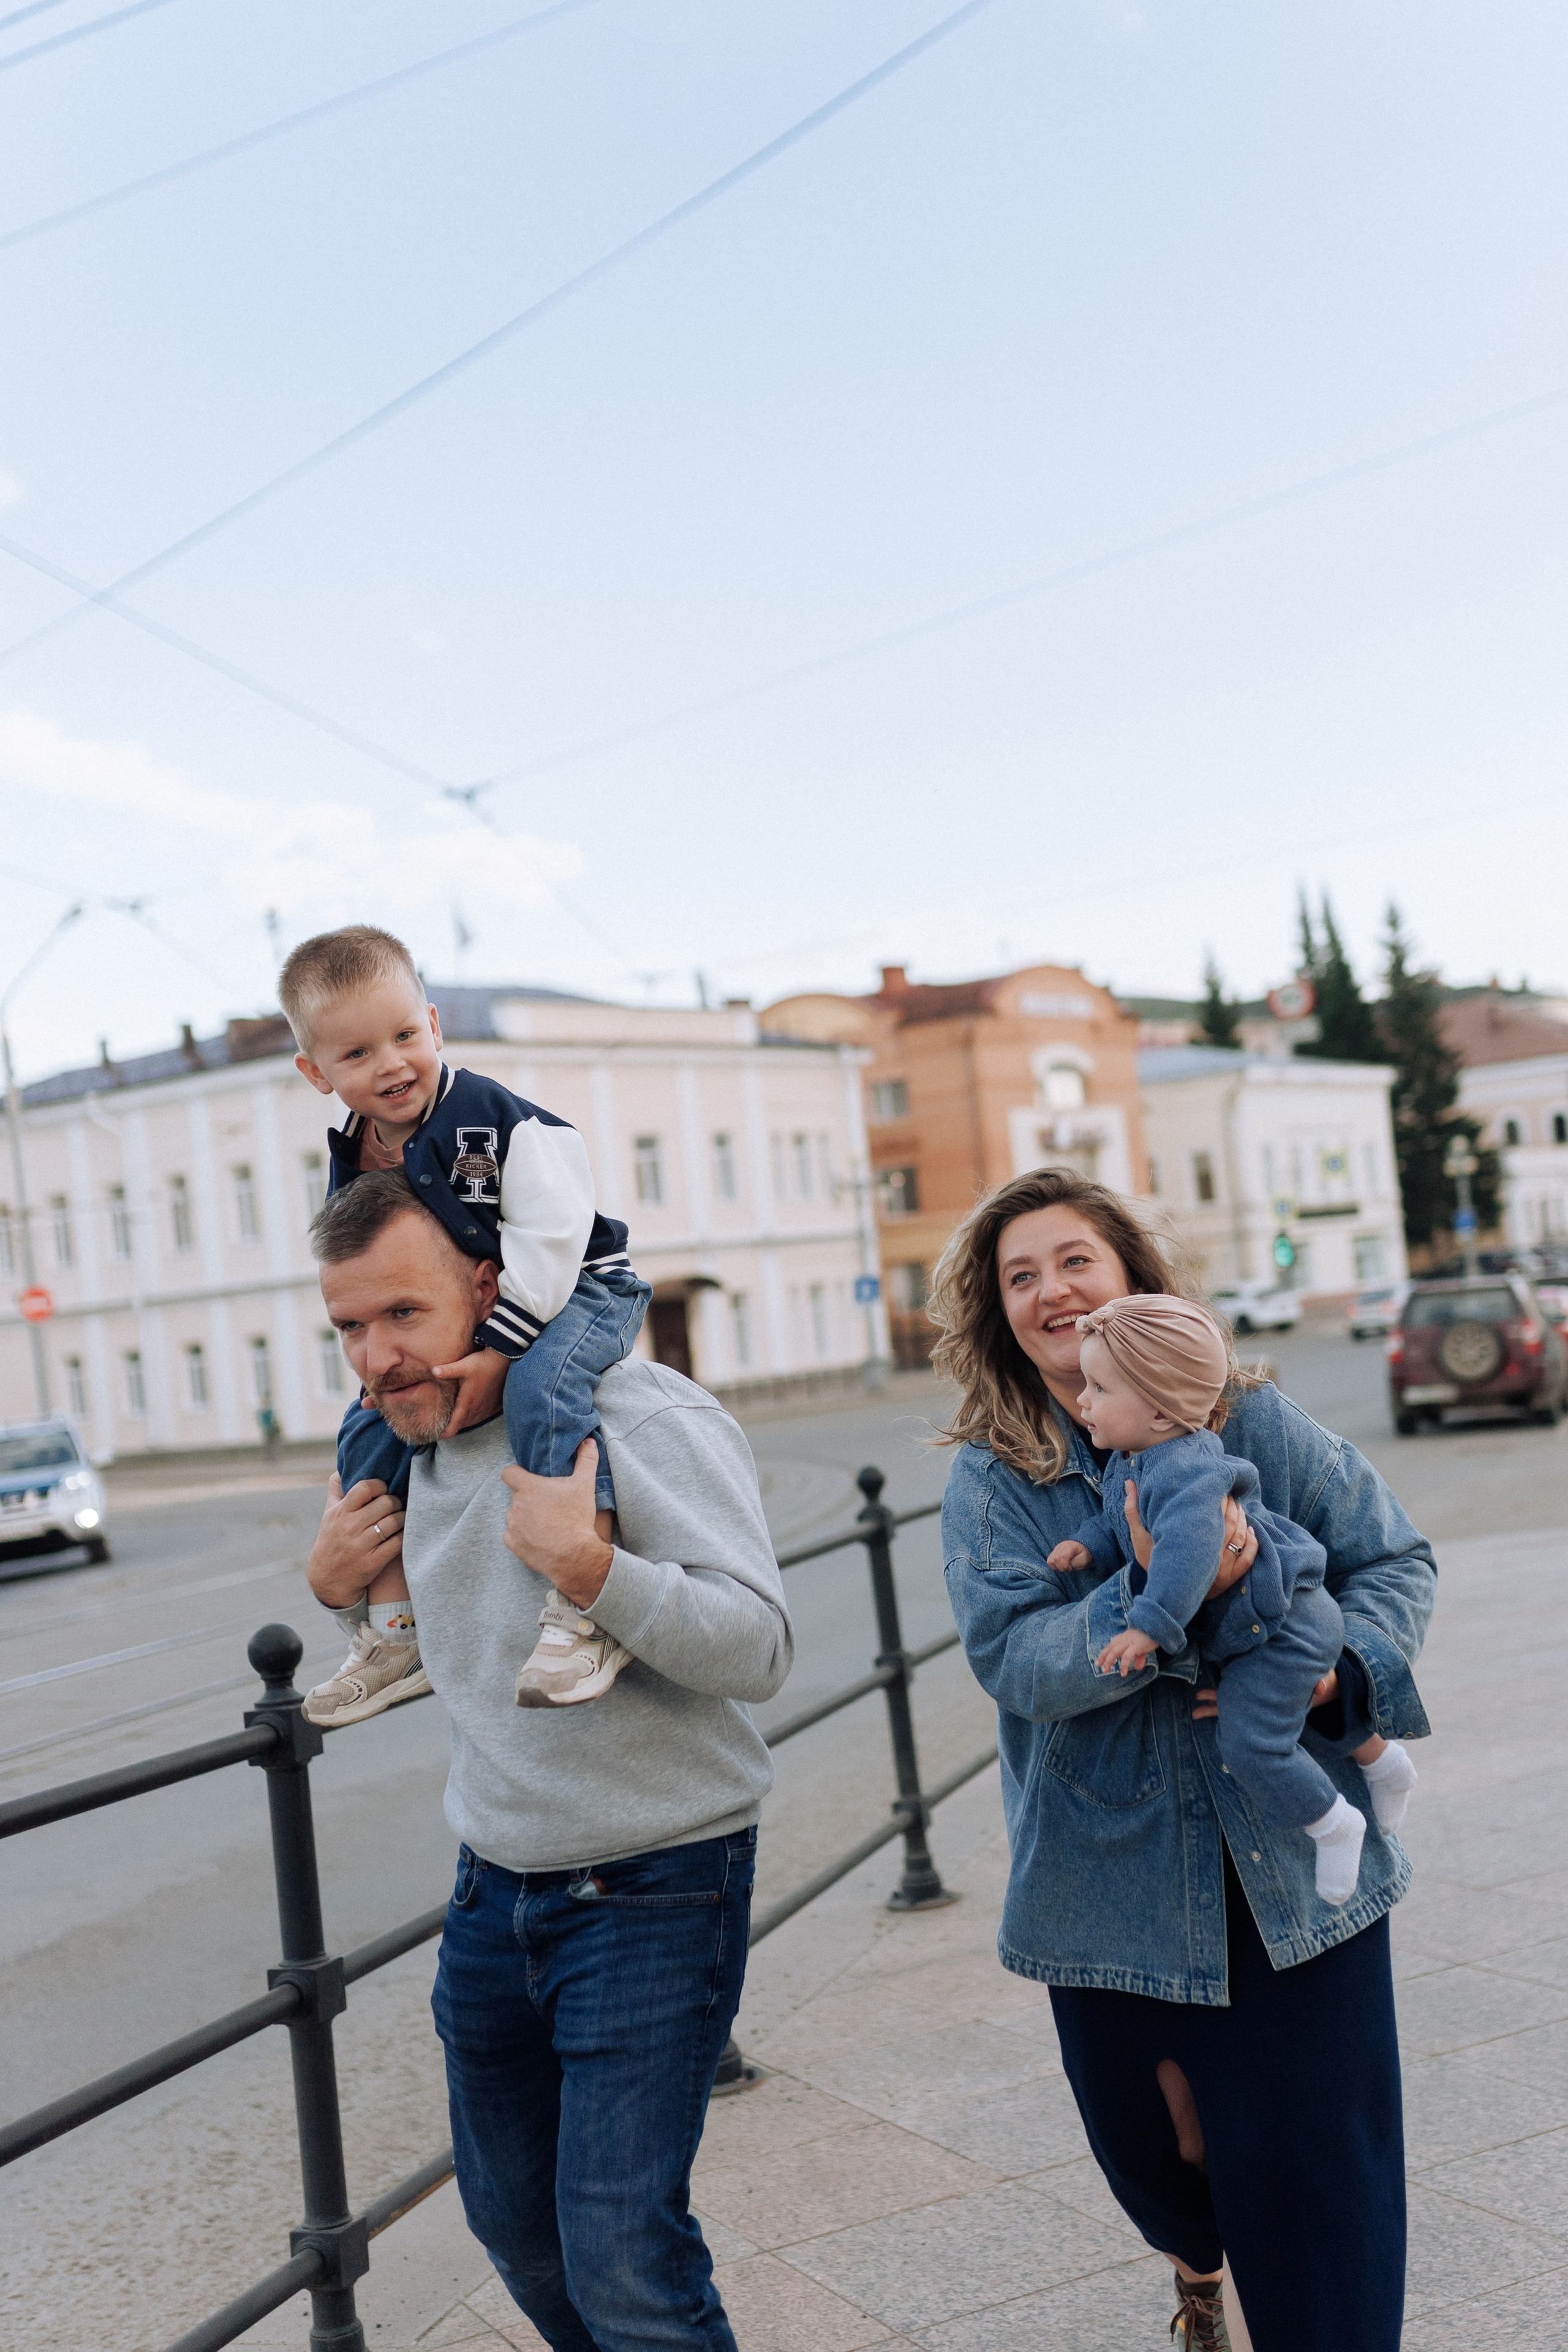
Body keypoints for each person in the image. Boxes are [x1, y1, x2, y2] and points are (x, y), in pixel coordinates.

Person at [932, 1167, 1435, 2352]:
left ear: (1133, 1279)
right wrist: (1154, 1594)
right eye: (1021, 1276)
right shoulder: (994, 1476)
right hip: (1106, 1880)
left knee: (1325, 2185)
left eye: (1076, 1261)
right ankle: (1195, 2262)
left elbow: (1392, 1559)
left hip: (1293, 1870)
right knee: (1155, 2156)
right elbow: (1014, 1657)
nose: (1053, 1290)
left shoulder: (1248, 1420)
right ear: (1000, 1312)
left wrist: (1336, 1674)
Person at [304, 1170, 793, 2351]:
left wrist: (592, 1568)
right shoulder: (406, 1450)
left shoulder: (638, 1417)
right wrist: (339, 1592)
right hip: (492, 1891)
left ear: (490, 1287)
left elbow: (761, 1649)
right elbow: (456, 1646)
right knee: (519, 2232)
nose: (376, 1358)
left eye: (404, 1314)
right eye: (350, 1327)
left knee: (624, 2257)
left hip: (656, 1885)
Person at [277, 924, 651, 1725]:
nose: (391, 1065)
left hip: (580, 1286)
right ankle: (397, 1633)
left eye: (404, 1037)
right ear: (316, 1073)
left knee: (543, 1393)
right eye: (357, 1054)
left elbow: (552, 1236)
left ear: (434, 1025)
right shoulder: (358, 1152)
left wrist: (497, 1351)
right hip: (493, 1303)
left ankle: (588, 1605)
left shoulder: (486, 1118)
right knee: (366, 1428)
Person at [1046, 1291, 1417, 1906]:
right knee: (1273, 1711)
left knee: (1250, 1745)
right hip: (1263, 1625)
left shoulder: (1185, 1473)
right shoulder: (1137, 1458)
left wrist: (1148, 1624)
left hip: (1286, 1626)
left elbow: (1187, 1556)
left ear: (1160, 1412)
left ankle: (1332, 1823)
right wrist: (1088, 1546)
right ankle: (1382, 1761)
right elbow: (1125, 1521)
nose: (1082, 1400)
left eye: (1099, 1389)